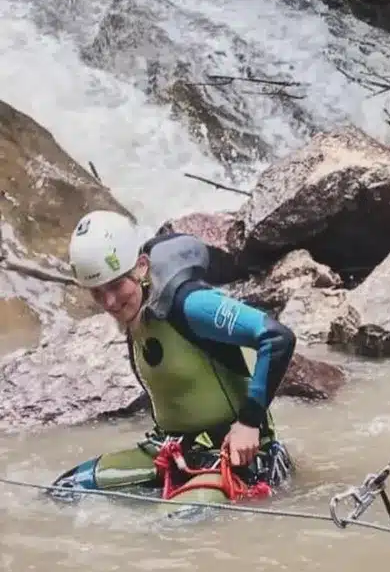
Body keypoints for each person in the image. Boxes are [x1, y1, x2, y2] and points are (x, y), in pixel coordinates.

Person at [53, 211, 295, 504]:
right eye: (97, 293)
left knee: (170, 529)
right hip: (173, 452)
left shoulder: (188, 304)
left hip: (236, 457)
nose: (110, 302)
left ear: (141, 267)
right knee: (65, 491)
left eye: (117, 285)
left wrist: (249, 424)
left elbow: (277, 337)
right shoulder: (136, 311)